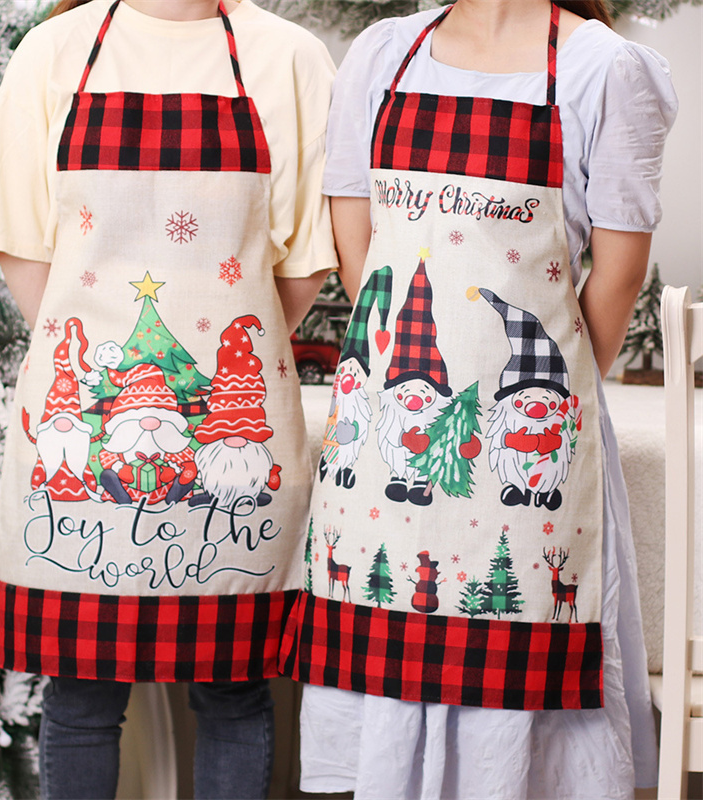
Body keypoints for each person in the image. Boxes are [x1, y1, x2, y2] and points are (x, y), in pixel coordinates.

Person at [279, 0, 677, 797]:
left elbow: (620, 272)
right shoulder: (384, 54)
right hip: (398, 412)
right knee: (389, 646)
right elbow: (359, 243)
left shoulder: (604, 69)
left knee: (522, 675)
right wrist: (413, 366)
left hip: (529, 428)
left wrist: (545, 387)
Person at [0, 0, 337, 797]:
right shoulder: (54, 53)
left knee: (234, 691)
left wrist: (235, 355)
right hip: (89, 430)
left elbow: (304, 266)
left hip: (235, 447)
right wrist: (97, 381)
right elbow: (25, 254)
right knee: (80, 695)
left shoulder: (292, 60)